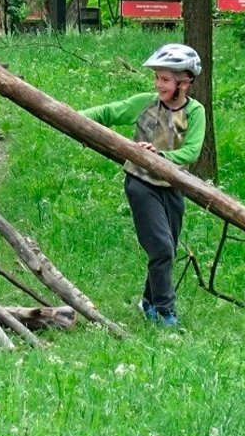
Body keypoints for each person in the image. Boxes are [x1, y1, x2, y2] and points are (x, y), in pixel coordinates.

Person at [81, 43, 206, 326]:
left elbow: (192, 151)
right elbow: (109, 112)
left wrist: (160, 155)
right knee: (161, 248)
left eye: (165, 79)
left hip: (173, 186)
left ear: (184, 82)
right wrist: (69, 115)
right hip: (141, 183)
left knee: (168, 249)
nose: (158, 84)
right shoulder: (146, 104)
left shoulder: (195, 112)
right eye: (157, 78)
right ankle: (164, 312)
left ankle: (148, 301)